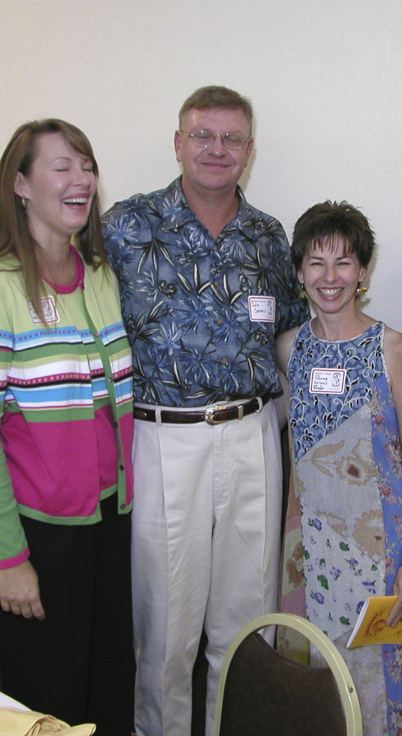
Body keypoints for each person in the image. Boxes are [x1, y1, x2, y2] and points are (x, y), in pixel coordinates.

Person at [101, 86, 307, 736]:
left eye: (231, 138)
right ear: (178, 143)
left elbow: (291, 335)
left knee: (247, 621)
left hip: (252, 435)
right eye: (203, 136)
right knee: (166, 627)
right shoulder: (126, 227)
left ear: (249, 149)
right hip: (164, 439)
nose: (217, 150)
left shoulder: (268, 236)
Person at [0, 119, 135, 732]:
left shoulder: (99, 275)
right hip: (38, 535)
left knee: (109, 692)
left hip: (108, 522)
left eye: (87, 166)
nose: (81, 180)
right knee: (48, 705)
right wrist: (9, 559)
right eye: (62, 167)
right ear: (21, 184)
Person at [277, 201, 402, 736]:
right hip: (309, 554)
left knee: (385, 692)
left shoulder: (395, 350)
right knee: (318, 693)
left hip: (382, 552)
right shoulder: (289, 349)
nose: (330, 277)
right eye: (316, 263)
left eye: (343, 262)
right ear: (300, 272)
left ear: (362, 271)